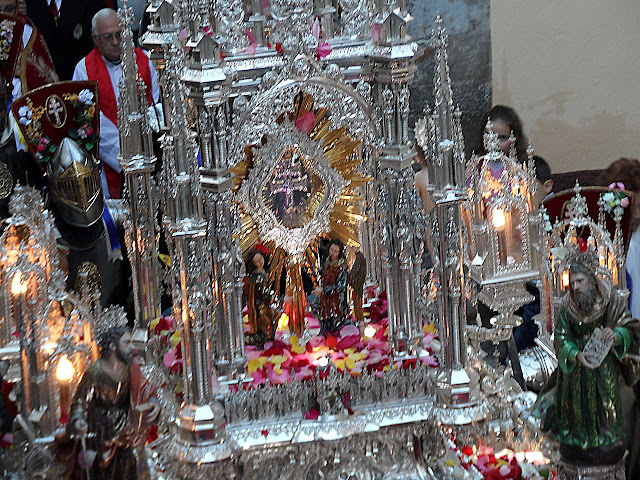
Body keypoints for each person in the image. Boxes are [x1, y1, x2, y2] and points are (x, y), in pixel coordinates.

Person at [533, 258, 640, 466]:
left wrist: (615, 335)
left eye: (580, 281)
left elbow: (628, 327)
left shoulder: (610, 301)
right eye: (572, 282)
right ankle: (577, 444)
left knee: (606, 408)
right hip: (576, 371)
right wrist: (574, 354)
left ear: (591, 279)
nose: (575, 287)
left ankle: (608, 441)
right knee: (576, 411)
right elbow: (561, 336)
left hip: (603, 366)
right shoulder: (568, 306)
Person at [72, 8, 160, 198]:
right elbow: (90, 122)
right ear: (95, 38)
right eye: (107, 37)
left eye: (119, 34)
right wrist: (127, 155)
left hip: (148, 154)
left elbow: (155, 106)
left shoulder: (145, 60)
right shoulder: (84, 69)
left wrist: (144, 149)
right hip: (111, 162)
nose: (115, 42)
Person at [61, 317, 160, 479]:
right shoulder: (95, 373)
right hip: (102, 433)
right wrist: (78, 419)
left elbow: (145, 389)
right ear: (113, 346)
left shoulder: (131, 369)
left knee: (133, 464)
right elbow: (80, 401)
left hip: (127, 431)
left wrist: (153, 403)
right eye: (127, 343)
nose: (132, 347)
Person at [25, 0, 105, 81]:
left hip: (82, 79)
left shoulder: (88, 3)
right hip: (45, 84)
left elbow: (95, 46)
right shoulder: (28, 5)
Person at [312, 238, 350, 333]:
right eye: (331, 250)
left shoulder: (342, 267)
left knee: (335, 330)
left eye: (336, 251)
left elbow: (340, 287)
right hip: (325, 303)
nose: (333, 253)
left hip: (336, 304)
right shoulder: (327, 263)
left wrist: (324, 290)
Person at [244, 247, 280, 347]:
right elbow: (265, 291)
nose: (260, 263)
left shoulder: (263, 271)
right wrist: (277, 298)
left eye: (260, 259)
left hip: (265, 304)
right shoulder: (257, 276)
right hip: (261, 306)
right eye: (256, 262)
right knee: (265, 328)